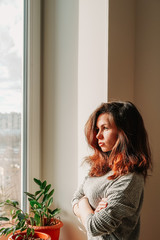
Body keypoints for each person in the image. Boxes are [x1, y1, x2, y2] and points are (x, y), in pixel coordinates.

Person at [71, 101, 152, 240]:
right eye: (97, 129)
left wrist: (83, 204)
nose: (98, 136)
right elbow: (75, 199)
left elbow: (93, 226)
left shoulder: (130, 179)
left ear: (124, 132)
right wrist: (91, 210)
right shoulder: (100, 167)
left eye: (105, 128)